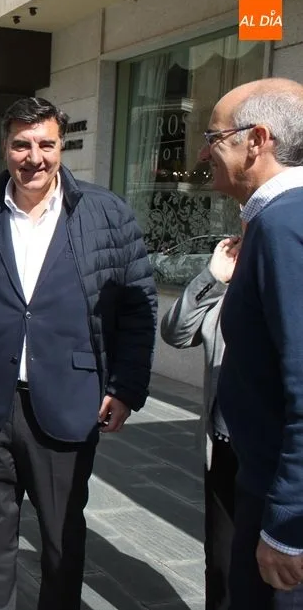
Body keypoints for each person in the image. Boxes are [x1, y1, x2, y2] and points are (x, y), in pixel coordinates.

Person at [0, 96, 157, 610]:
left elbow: (138, 306)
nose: (33, 156)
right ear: (6, 146)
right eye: (21, 144)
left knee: (60, 540)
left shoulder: (105, 212)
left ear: (61, 146)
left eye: (45, 144)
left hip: (69, 400)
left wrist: (126, 388)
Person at [208, 77, 303, 608]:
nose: (204, 151)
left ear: (256, 139)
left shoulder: (285, 225)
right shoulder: (273, 221)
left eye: (215, 136)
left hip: (279, 499)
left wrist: (288, 523)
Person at [161, 231, 241, 610]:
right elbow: (175, 332)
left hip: (277, 454)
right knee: (222, 567)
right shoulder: (227, 286)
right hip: (225, 447)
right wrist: (212, 276)